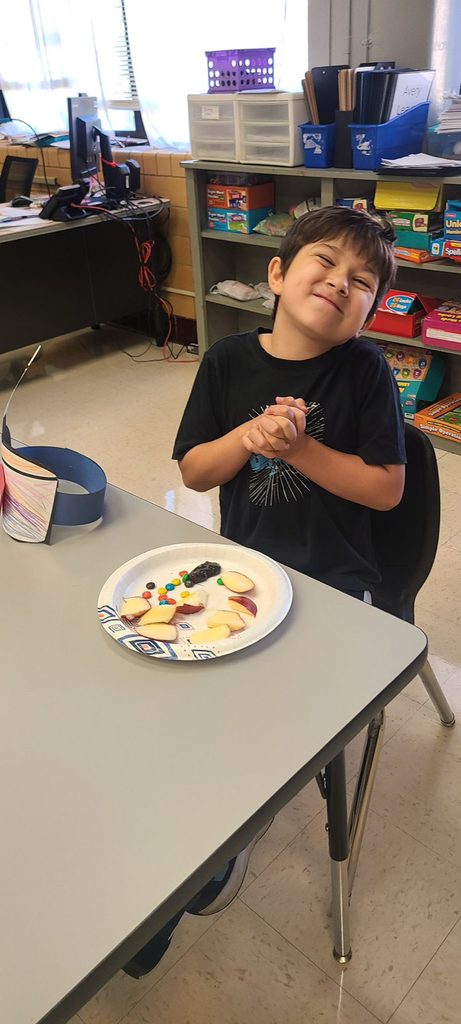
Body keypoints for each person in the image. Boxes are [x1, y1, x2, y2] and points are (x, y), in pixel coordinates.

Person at [124, 205, 406, 979]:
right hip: (243, 574)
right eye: (324, 263)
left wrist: (302, 444)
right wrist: (248, 437)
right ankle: (159, 858)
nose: (340, 285)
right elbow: (193, 471)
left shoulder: (365, 372)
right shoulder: (224, 362)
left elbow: (385, 491)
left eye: (362, 282)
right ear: (276, 275)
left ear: (369, 309)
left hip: (335, 586)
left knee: (260, 726)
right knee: (175, 694)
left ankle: (219, 845)